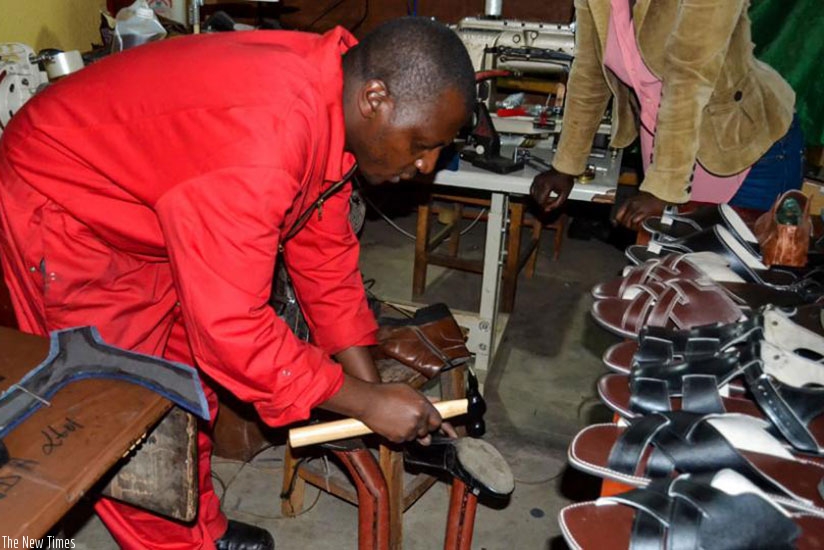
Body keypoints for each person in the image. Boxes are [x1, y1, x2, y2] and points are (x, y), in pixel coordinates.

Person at [0, 17, 475, 550]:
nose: (427, 165)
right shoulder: (266, 141)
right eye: (422, 143)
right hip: (66, 204)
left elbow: (323, 252)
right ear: (375, 99)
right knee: (127, 414)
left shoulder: (334, 97)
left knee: (187, 383)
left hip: (155, 197)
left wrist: (371, 391)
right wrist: (365, 404)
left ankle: (200, 526)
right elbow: (234, 332)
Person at [530, 0, 803, 229]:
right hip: (668, 151)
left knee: (739, 272)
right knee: (673, 270)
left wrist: (663, 189)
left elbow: (688, 81)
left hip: (746, 149)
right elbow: (590, 70)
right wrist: (566, 165)